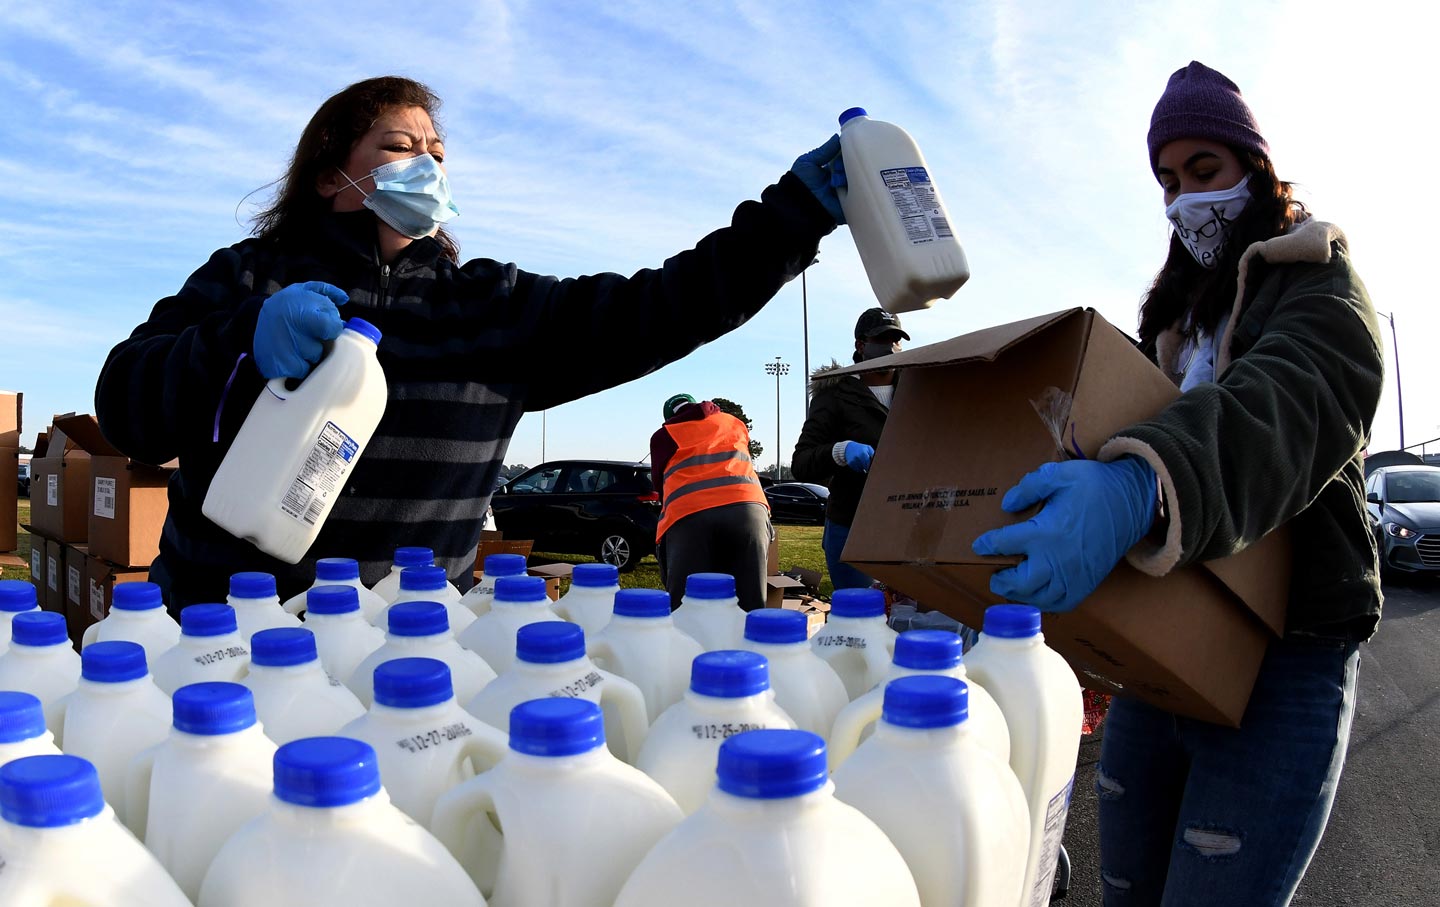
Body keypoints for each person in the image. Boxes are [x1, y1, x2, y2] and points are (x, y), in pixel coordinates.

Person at [94, 76, 847, 611]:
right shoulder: (245, 279)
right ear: (329, 177)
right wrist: (239, 342)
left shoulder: (492, 307)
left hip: (407, 656)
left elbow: (660, 306)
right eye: (398, 144)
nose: (427, 162)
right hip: (225, 635)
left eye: (438, 150)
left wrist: (792, 218)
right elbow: (124, 403)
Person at [971, 62, 1383, 906]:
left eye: (1204, 172)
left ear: (1253, 168)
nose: (1184, 200)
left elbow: (1282, 406)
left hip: (1287, 655)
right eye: (1166, 180)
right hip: (1172, 642)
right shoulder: (1173, 319)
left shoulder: (1319, 284)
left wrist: (1135, 489)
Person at [791, 307, 907, 591]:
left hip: (906, 520)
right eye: (882, 340)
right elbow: (801, 463)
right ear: (861, 345)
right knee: (859, 615)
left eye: (896, 340)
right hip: (852, 523)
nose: (891, 348)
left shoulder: (918, 387)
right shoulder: (834, 395)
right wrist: (840, 451)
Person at [649, 393, 771, 611]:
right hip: (748, 511)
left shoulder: (664, 435)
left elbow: (659, 484)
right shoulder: (734, 423)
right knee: (750, 602)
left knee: (687, 606)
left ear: (670, 417)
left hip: (690, 515)